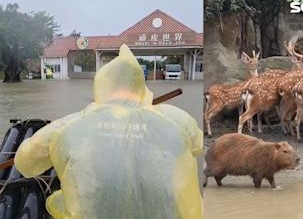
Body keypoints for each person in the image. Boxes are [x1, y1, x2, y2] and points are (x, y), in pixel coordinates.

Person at [15, 44, 203, 219]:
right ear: (140, 86)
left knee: (58, 200)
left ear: (102, 86)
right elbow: (198, 147)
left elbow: (25, 164)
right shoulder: (178, 119)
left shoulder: (69, 124)